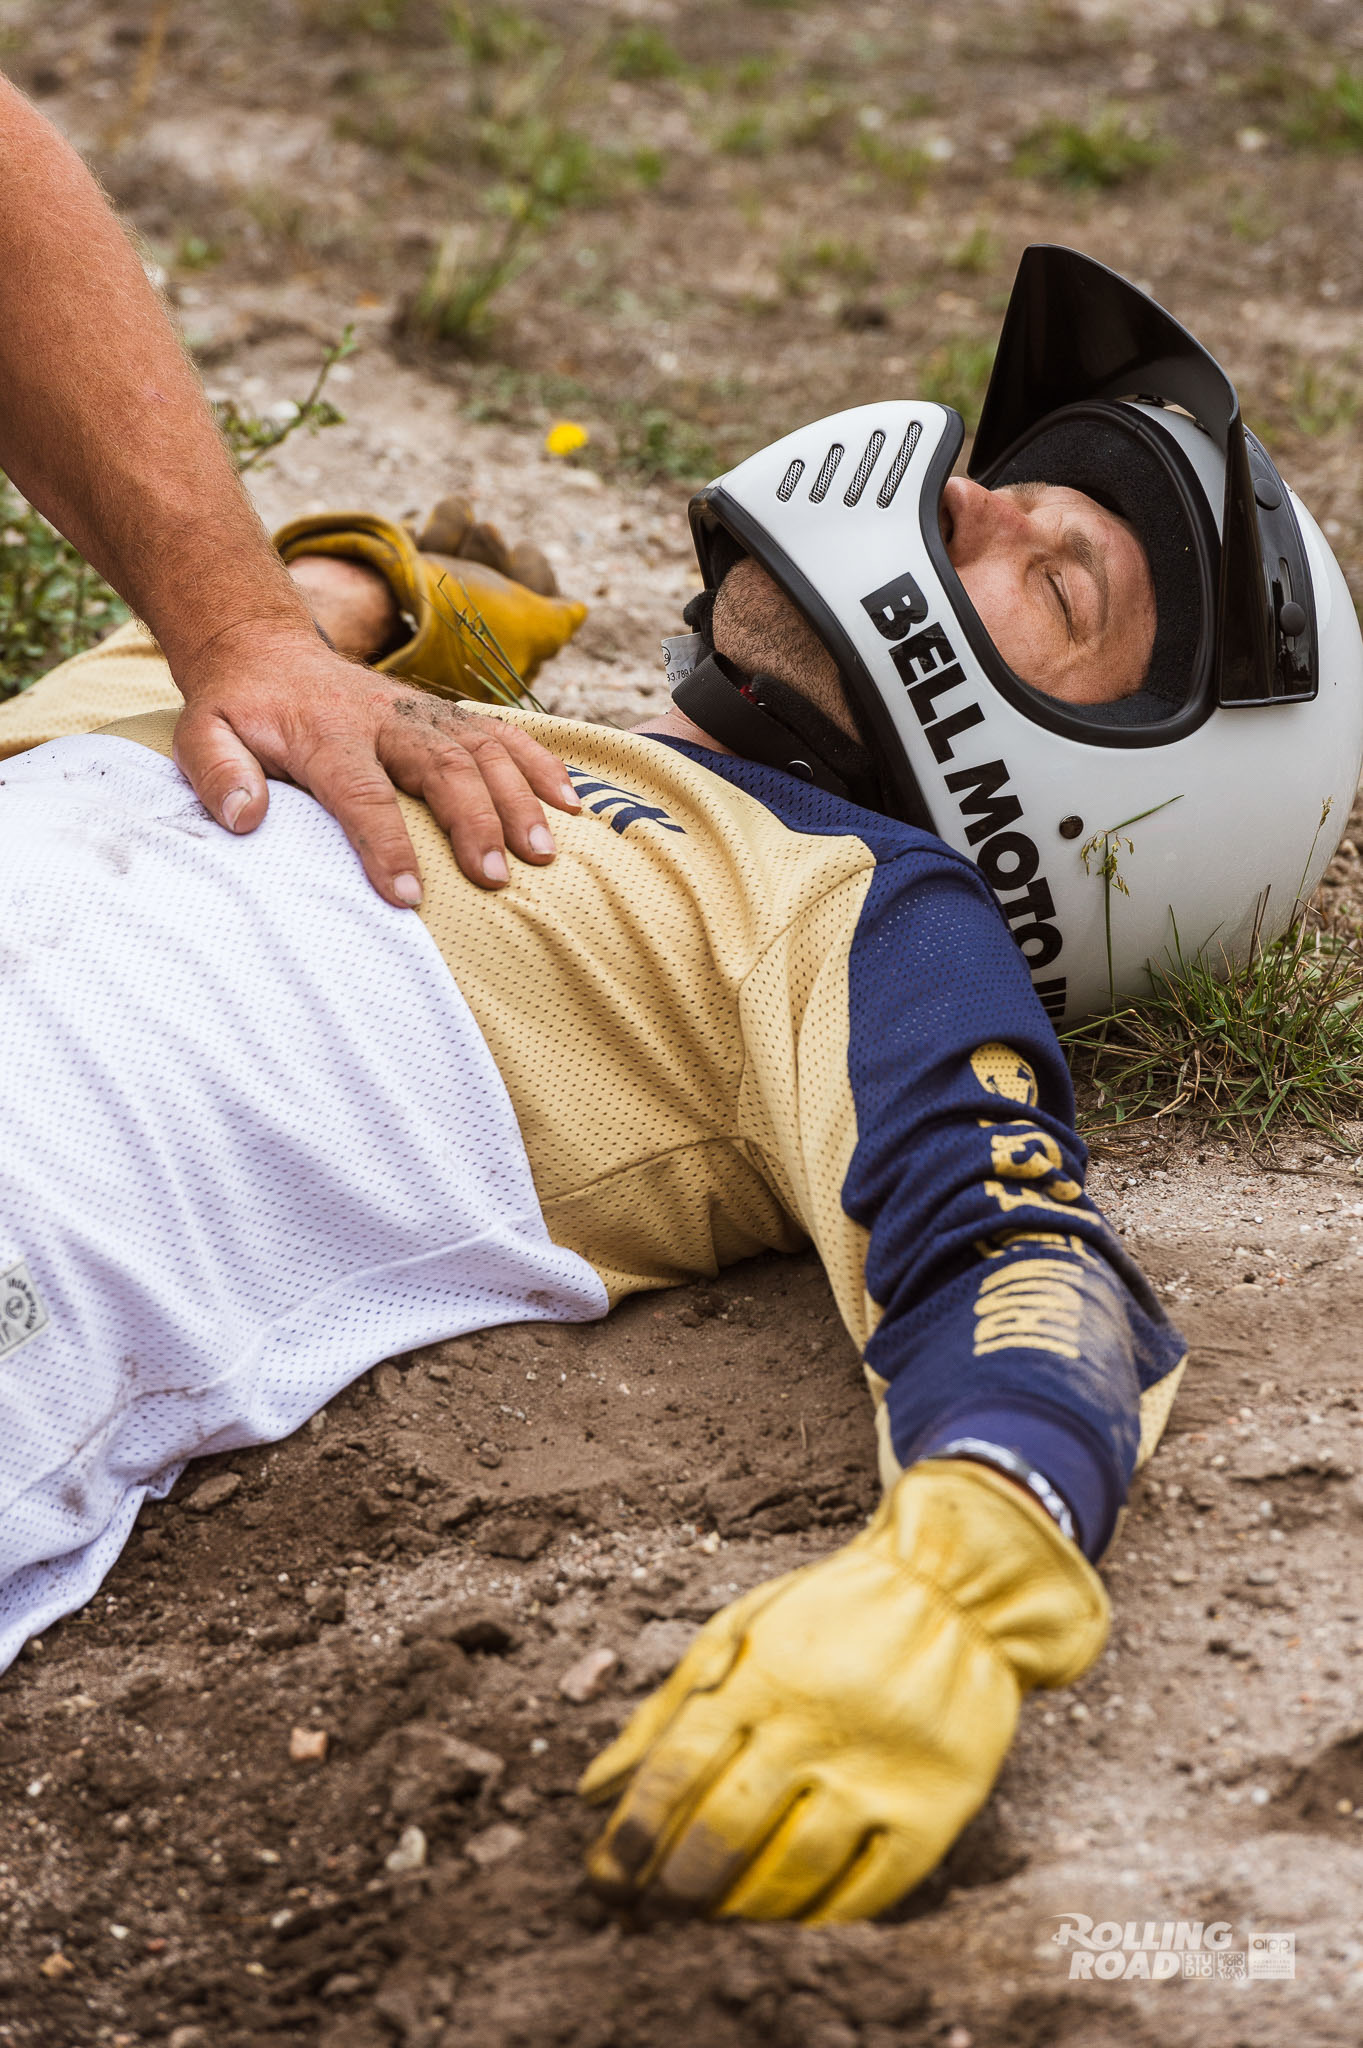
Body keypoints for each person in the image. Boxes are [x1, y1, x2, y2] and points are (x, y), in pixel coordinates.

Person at [0, 246, 1358, 1929]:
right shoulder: (289, 685)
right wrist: (375, 605)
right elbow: (186, 643)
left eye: (1058, 580)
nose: (971, 499)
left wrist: (968, 1572)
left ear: (1098, 817)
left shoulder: (848, 907)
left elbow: (1017, 1260)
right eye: (1018, 486)